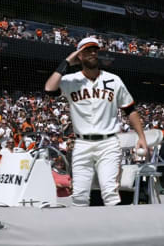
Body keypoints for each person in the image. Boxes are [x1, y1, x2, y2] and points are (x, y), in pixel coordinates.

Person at [45, 37, 148, 206]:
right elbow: (49, 89)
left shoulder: (114, 80)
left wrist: (141, 137)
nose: (92, 53)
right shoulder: (71, 80)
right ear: (79, 56)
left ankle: (115, 231)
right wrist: (66, 62)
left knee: (110, 193)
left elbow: (130, 110)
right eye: (87, 50)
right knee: (79, 196)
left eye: (95, 50)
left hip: (108, 143)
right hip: (82, 143)